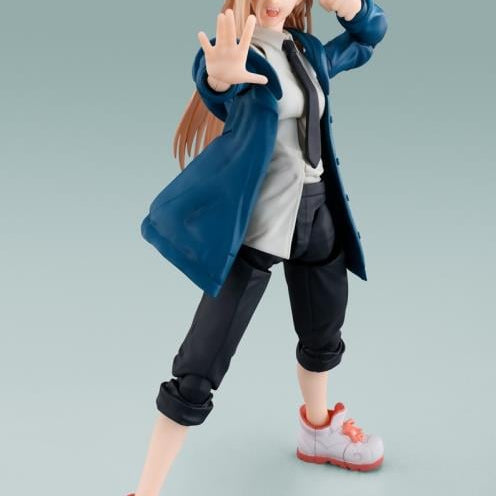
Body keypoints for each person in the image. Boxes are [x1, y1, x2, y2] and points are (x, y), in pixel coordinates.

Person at [130, 1, 388, 494]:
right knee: (200, 366)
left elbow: (366, 39)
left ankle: (319, 429)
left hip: (317, 213)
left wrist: (353, 6)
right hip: (259, 225)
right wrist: (219, 77)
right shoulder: (239, 53)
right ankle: (146, 489)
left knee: (323, 333)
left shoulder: (306, 50)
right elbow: (216, 81)